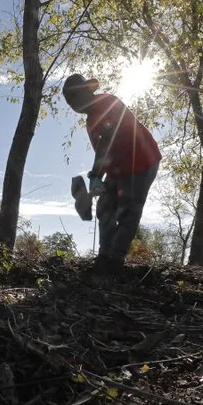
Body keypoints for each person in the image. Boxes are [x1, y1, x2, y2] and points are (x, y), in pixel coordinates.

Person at [62, 73, 161, 269]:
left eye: (74, 98)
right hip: (118, 168)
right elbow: (104, 150)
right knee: (104, 208)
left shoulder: (106, 103)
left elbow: (107, 140)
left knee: (128, 210)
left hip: (142, 160)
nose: (73, 105)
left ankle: (115, 259)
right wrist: (98, 177)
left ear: (86, 91)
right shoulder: (90, 120)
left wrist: (95, 175)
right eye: (70, 102)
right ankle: (104, 255)